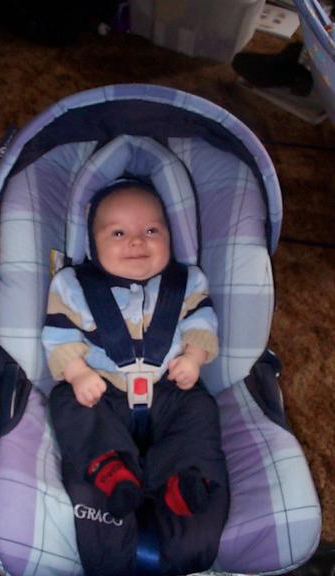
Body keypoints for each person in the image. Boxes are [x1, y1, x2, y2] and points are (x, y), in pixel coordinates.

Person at [41, 179, 229, 573]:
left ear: (170, 237)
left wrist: (194, 358)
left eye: (152, 230)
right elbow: (59, 336)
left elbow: (202, 323)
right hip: (103, 393)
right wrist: (77, 373)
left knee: (199, 410)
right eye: (118, 233)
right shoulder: (73, 287)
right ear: (93, 244)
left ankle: (180, 480)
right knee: (66, 401)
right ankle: (109, 467)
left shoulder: (186, 282)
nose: (137, 241)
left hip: (169, 391)